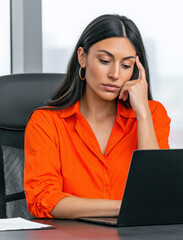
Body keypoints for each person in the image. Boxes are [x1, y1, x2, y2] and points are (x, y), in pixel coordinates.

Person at [24, 14, 171, 219]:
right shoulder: (46, 123)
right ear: (82, 57)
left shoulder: (152, 114)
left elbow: (159, 193)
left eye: (126, 66)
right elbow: (43, 199)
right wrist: (126, 207)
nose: (115, 74)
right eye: (104, 61)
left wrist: (143, 114)